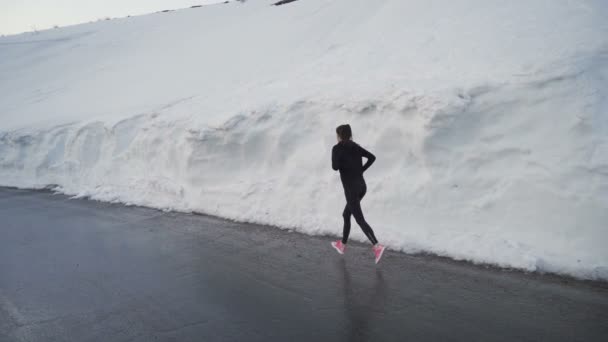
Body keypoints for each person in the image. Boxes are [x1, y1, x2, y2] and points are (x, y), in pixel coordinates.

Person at [331, 124, 386, 264]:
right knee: (346, 214)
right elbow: (372, 158)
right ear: (349, 135)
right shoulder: (355, 146)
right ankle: (342, 245)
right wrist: (361, 170)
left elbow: (335, 167)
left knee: (359, 219)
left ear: (339, 135)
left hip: (351, 190)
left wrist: (337, 153)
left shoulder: (337, 148)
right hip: (362, 187)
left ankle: (377, 246)